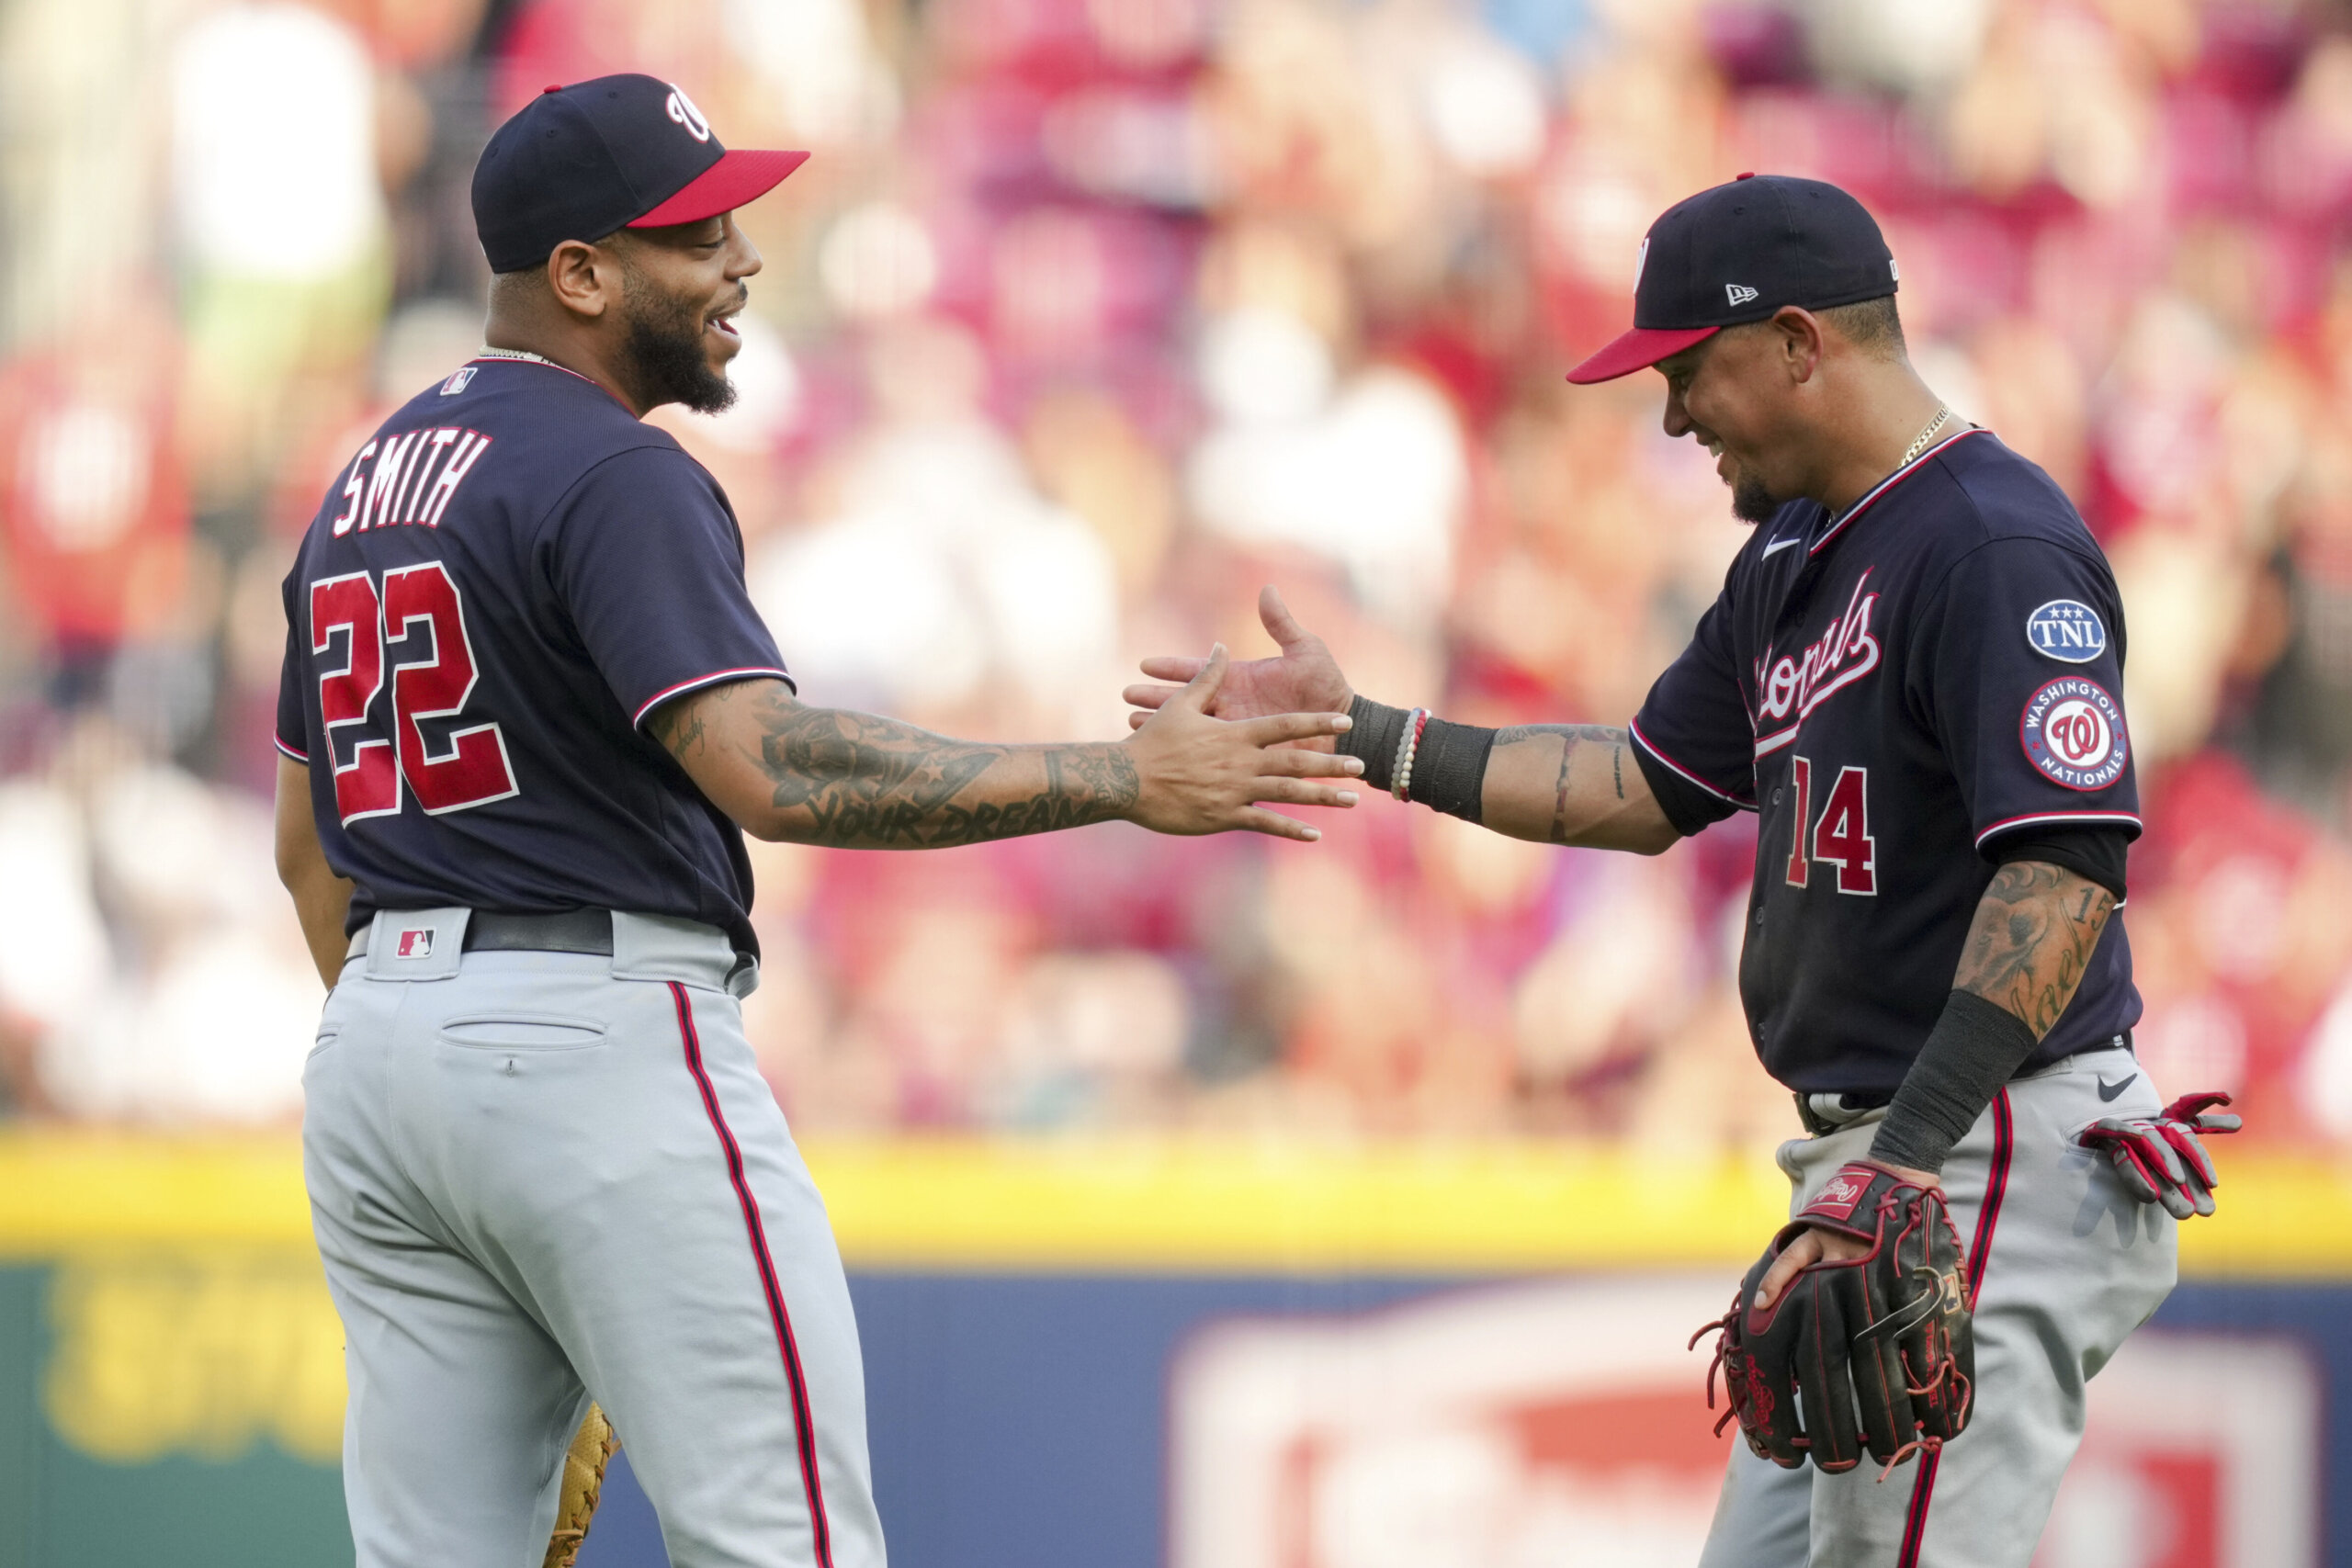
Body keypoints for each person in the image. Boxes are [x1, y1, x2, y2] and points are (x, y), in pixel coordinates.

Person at [271, 74, 1363, 1568]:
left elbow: (302, 844)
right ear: (579, 276)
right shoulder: (611, 466)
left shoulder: (362, 486)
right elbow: (766, 768)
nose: (742, 261)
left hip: (379, 1058)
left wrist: (446, 1079)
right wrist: (1119, 779)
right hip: (589, 1038)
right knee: (781, 1546)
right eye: (694, 232)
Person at [1125, 175, 2233, 1566]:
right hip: (1889, 1152)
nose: (1670, 416)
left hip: (1984, 1137)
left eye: (1687, 370)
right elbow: (1638, 787)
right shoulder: (1791, 553)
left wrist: (1898, 1162)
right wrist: (1366, 737)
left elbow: (2064, 881)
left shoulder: (1990, 545)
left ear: (1794, 342)